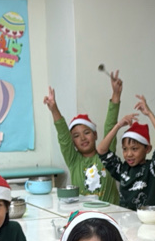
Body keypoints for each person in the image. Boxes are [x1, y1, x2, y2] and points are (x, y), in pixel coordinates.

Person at [43, 71, 122, 202]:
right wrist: (54, 109)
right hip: (83, 213)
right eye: (76, 136)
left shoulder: (107, 155)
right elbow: (63, 136)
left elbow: (110, 125)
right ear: (72, 141)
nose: (83, 138)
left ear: (95, 135)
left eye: (86, 133)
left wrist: (116, 94)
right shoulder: (74, 160)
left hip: (110, 212)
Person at [97, 94, 155, 209]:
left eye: (134, 149)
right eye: (125, 149)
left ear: (147, 149)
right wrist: (118, 125)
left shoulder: (153, 169)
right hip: (125, 217)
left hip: (148, 218)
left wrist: (149, 114)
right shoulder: (122, 170)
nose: (129, 154)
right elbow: (101, 150)